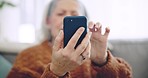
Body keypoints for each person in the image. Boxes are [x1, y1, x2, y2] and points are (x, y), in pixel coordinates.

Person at [7, 0, 132, 78]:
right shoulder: (28, 55)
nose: (66, 18)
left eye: (75, 14)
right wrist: (56, 71)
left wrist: (102, 60)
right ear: (47, 21)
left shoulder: (95, 55)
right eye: (60, 14)